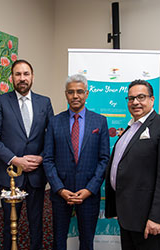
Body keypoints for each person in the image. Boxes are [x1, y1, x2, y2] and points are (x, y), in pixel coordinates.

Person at [105, 79, 160, 250]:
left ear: (152, 99)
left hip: (147, 218)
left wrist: (157, 217)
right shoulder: (130, 128)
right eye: (131, 98)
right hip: (127, 215)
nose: (135, 102)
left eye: (141, 97)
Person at [0, 59, 54, 250]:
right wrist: (15, 160)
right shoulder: (1, 101)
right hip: (11, 175)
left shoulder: (44, 102)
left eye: (26, 74)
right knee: (8, 224)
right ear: (11, 78)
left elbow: (52, 136)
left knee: (37, 223)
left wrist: (41, 157)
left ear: (32, 77)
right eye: (18, 74)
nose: (22, 78)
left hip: (36, 175)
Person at [43, 74, 110, 250]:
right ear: (66, 94)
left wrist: (89, 189)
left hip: (88, 194)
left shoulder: (100, 122)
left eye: (80, 92)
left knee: (87, 242)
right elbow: (48, 159)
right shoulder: (55, 121)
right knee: (58, 240)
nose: (75, 96)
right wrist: (60, 189)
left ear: (87, 94)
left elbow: (104, 159)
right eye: (71, 92)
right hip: (61, 194)